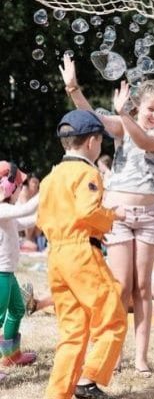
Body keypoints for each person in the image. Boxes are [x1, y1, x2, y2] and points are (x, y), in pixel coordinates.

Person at [60, 54, 154, 376]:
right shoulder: (121, 126)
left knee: (143, 288)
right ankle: (112, 353)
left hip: (147, 216)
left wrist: (123, 115)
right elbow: (92, 119)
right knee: (120, 286)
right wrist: (73, 87)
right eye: (150, 109)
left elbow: (145, 141)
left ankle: (141, 358)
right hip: (117, 214)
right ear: (138, 107)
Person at [37, 110, 127, 399]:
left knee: (73, 330)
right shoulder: (88, 172)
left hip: (56, 256)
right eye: (101, 140)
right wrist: (112, 217)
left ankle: (57, 394)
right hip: (80, 253)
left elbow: (42, 218)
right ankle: (89, 380)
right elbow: (88, 211)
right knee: (112, 316)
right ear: (92, 142)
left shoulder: (51, 176)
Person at [0, 161, 38, 373]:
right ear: (8, 188)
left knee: (15, 310)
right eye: (20, 185)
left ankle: (11, 355)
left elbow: (26, 220)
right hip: (0, 275)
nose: (22, 190)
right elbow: (26, 209)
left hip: (7, 274)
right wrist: (48, 191)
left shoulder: (8, 212)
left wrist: (46, 215)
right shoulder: (2, 208)